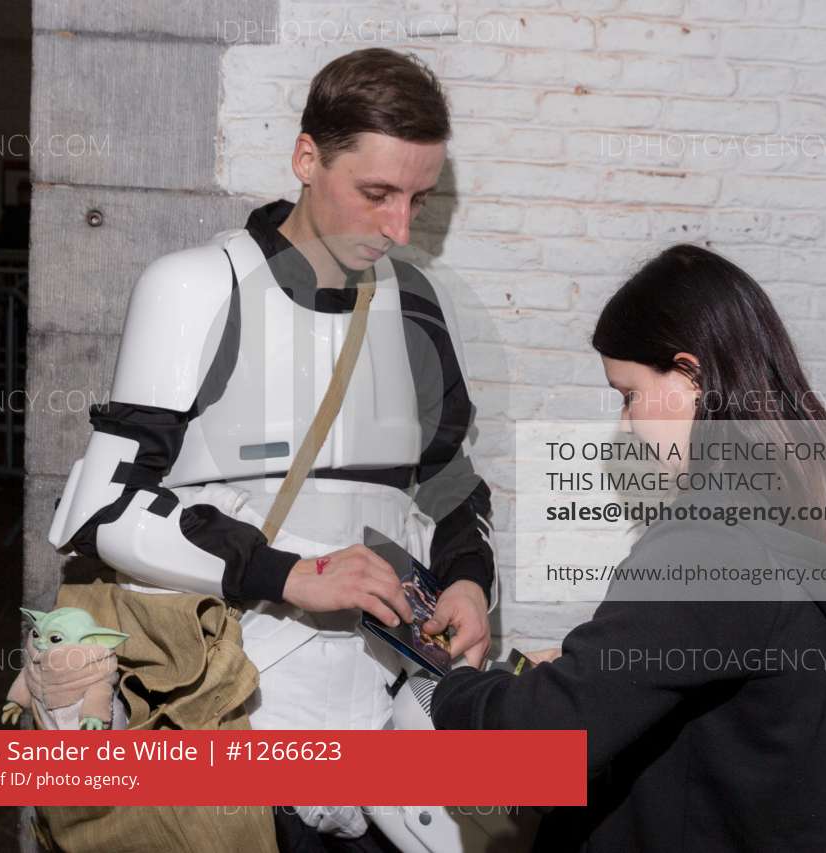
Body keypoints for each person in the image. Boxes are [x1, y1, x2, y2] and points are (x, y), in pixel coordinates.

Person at [47, 48, 496, 849]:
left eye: (419, 200)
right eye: (376, 194)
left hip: (387, 742)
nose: (399, 228)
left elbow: (450, 481)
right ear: (306, 158)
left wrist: (469, 580)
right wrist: (289, 572)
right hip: (230, 727)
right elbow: (105, 508)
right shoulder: (197, 286)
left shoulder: (418, 305)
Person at [425, 244, 826, 852]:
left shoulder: (710, 545)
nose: (626, 424)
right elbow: (737, 681)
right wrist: (594, 670)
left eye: (629, 394)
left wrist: (455, 685)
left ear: (691, 377)